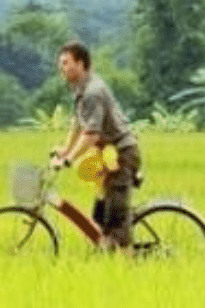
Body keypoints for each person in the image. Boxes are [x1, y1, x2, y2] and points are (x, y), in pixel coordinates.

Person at [50, 41, 141, 252]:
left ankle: (126, 261)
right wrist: (66, 150)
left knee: (115, 217)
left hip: (121, 155)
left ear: (81, 64)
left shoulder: (92, 92)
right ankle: (108, 251)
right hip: (109, 155)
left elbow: (91, 134)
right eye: (60, 63)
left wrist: (69, 159)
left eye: (66, 63)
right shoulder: (81, 89)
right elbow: (78, 123)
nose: (61, 68)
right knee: (100, 214)